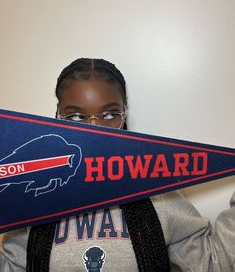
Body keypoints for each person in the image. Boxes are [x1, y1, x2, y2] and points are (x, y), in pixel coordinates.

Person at [0, 58, 234, 272]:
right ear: (57, 117)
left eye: (110, 114)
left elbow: (213, 262)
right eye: (76, 117)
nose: (95, 129)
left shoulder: (157, 195)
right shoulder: (30, 196)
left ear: (125, 116)